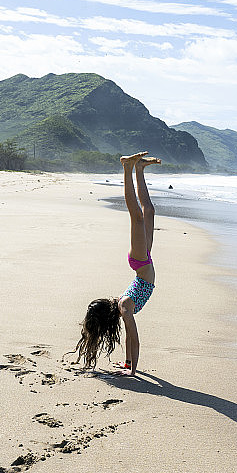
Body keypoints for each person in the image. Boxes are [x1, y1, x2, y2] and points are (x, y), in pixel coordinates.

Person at [72, 151, 160, 376]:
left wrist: (133, 373)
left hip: (141, 263)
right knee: (148, 211)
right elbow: (131, 338)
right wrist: (129, 365)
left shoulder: (124, 307)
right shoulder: (123, 308)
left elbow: (135, 339)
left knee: (137, 217)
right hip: (144, 262)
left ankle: (126, 167)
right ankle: (139, 169)